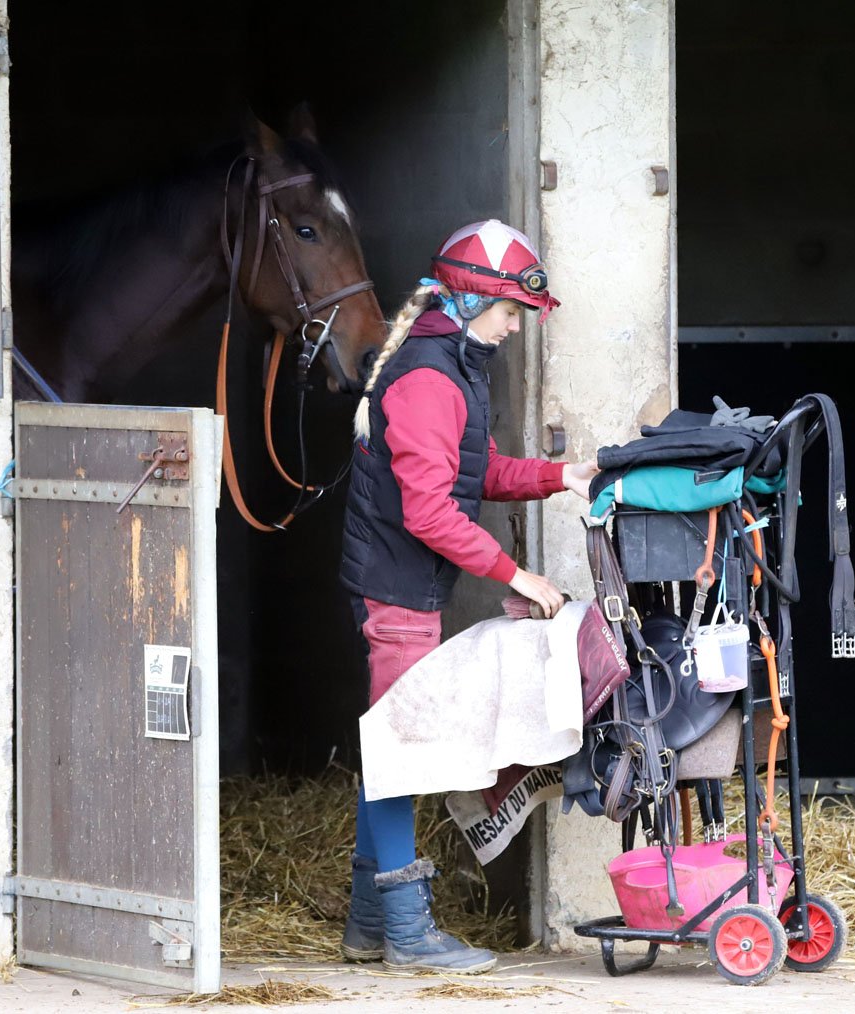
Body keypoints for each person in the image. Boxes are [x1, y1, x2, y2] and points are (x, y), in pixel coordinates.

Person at [338, 220, 598, 973]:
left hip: (403, 583)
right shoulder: (428, 379)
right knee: (399, 754)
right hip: (395, 590)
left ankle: (368, 926)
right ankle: (408, 936)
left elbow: (471, 475)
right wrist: (518, 576)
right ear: (473, 301)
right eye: (512, 311)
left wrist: (562, 476)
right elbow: (428, 511)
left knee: (390, 747)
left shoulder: (451, 363)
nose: (516, 327)